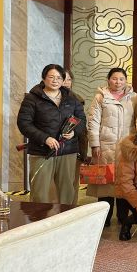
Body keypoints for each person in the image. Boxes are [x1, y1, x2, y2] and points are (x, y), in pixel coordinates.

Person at [17, 64, 86, 205]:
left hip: (68, 151)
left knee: (67, 193)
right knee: (40, 193)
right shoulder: (32, 98)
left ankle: (66, 218)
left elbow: (82, 121)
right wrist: (45, 138)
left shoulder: (71, 98)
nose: (55, 80)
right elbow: (24, 123)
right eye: (51, 77)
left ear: (63, 80)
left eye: (59, 78)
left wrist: (74, 132)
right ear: (44, 78)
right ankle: (38, 218)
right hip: (42, 152)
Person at [87, 67, 137, 226]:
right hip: (105, 146)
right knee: (105, 181)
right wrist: (94, 144)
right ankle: (105, 217)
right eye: (114, 78)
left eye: (121, 79)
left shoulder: (134, 98)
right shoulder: (100, 97)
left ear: (126, 81)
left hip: (127, 145)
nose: (118, 82)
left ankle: (123, 216)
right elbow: (93, 121)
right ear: (108, 80)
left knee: (124, 179)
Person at [63, 69, 88, 205]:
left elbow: (82, 124)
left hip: (74, 146)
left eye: (69, 79)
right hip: (53, 148)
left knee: (72, 183)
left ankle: (71, 209)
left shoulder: (78, 100)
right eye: (63, 79)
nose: (66, 82)